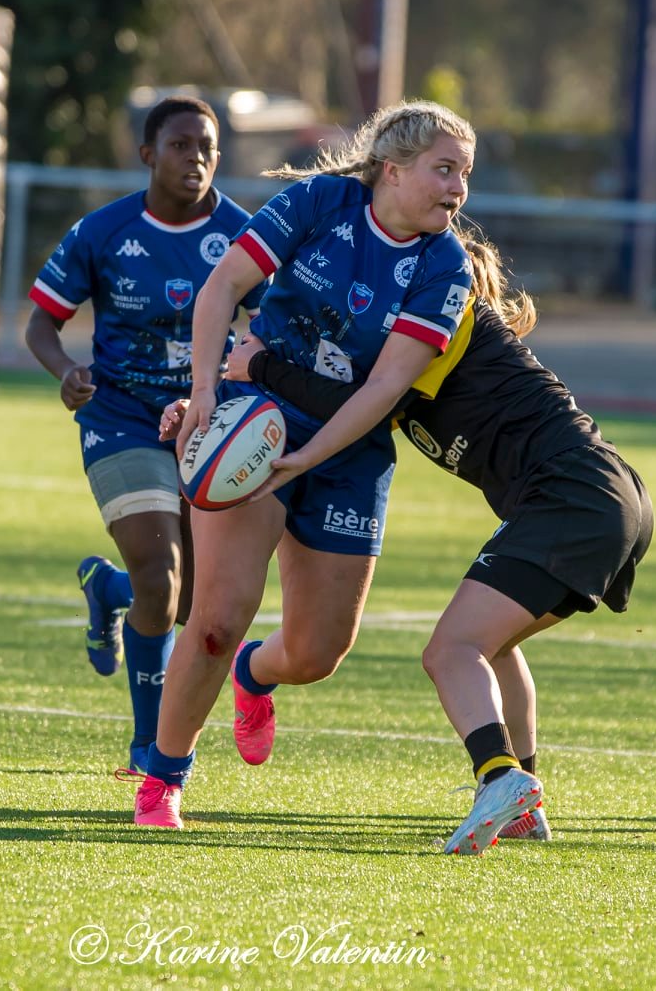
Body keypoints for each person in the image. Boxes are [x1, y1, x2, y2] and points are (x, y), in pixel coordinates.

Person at [210, 238, 653, 851]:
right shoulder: (418, 349)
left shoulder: (453, 324)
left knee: (451, 651)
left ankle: (497, 778)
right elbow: (353, 399)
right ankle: (524, 800)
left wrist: (258, 367)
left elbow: (364, 401)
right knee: (490, 646)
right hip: (598, 495)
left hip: (575, 495)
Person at [126, 101, 478, 830]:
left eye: (464, 175)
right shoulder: (320, 202)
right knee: (217, 617)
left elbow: (383, 388)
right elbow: (221, 287)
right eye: (444, 169)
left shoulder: (445, 265)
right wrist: (198, 394)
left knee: (318, 652)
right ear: (392, 169)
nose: (458, 188)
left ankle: (258, 675)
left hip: (348, 449)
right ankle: (162, 778)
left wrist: (309, 457)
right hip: (252, 414)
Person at [24, 96, 254, 772]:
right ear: (148, 153)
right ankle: (149, 748)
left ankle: (110, 590)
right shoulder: (102, 230)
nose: (197, 159)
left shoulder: (245, 236)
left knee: (191, 602)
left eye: (207, 147)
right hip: (120, 416)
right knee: (165, 573)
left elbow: (272, 322)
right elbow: (41, 321)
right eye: (181, 145)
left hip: (207, 421)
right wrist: (66, 369)